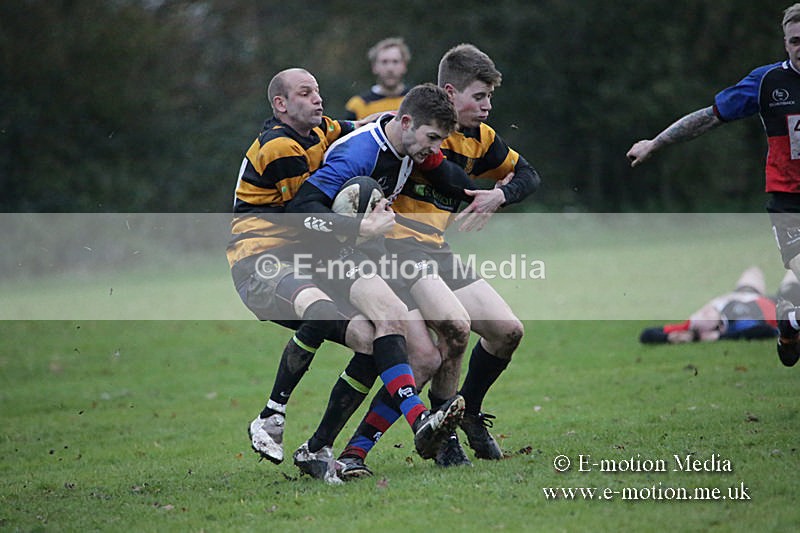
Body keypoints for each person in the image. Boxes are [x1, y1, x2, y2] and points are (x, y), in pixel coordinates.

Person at [334, 43, 541, 477]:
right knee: (450, 332)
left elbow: (529, 175)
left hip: (437, 249)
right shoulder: (425, 132)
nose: (488, 107)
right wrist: (472, 189)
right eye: (479, 97)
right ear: (450, 92)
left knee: (507, 331)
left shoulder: (483, 139)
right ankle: (431, 433)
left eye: (489, 98)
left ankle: (466, 412)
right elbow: (444, 174)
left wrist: (500, 194)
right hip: (396, 247)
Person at [287, 83, 475, 473]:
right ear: (407, 122)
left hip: (367, 255)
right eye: (432, 138)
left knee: (422, 355)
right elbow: (298, 211)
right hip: (326, 257)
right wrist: (356, 230)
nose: (434, 149)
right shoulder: (360, 153)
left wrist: (496, 193)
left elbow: (448, 177)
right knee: (388, 324)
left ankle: (335, 451)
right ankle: (420, 421)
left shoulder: (405, 145)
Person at [228, 68, 389, 483]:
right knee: (319, 306)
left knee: (372, 343)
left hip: (297, 261)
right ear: (281, 104)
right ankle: (271, 415)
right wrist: (360, 229)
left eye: (318, 90)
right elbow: (306, 219)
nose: (318, 98)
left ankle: (316, 448)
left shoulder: (319, 130)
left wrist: (391, 122)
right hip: (258, 262)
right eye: (306, 93)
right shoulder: (280, 146)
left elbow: (355, 126)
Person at [626, 3, 800, 367]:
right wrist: (657, 142)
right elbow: (711, 117)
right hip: (789, 201)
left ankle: (791, 318)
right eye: (795, 41)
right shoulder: (767, 82)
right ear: (785, 43)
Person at [639, 267, 799, 344]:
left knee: (753, 272)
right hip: (779, 303)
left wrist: (667, 337)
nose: (705, 311)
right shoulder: (738, 324)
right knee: (794, 272)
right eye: (706, 316)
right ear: (718, 327)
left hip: (745, 293)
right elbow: (765, 332)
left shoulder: (691, 325)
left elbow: (648, 333)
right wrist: (718, 338)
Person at [343, 37, 411, 120]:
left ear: (404, 65)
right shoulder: (358, 105)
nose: (390, 68)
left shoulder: (416, 101)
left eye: (395, 61)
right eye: (384, 62)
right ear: (374, 67)